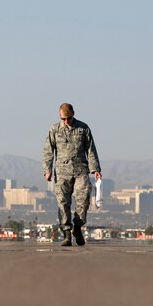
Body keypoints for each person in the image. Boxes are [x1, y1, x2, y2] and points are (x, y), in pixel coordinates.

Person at [43, 103, 101, 247]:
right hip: (62, 172)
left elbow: (91, 149)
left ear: (73, 114)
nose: (66, 121)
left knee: (83, 199)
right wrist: (47, 169)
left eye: (68, 118)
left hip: (81, 170)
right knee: (63, 203)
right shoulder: (55, 130)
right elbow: (48, 150)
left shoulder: (83, 128)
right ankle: (67, 233)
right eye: (63, 119)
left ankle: (78, 227)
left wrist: (95, 169)